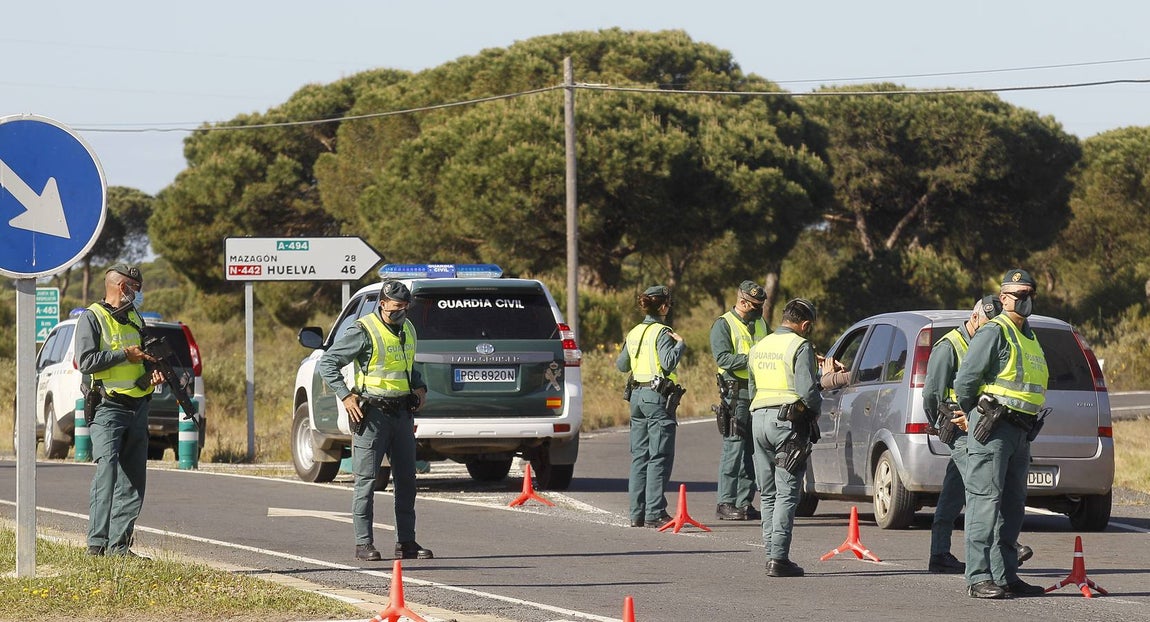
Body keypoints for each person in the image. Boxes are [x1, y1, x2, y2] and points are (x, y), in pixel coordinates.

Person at [317, 280, 432, 562]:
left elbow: (408, 364)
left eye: (406, 307)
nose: (401, 312)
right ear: (382, 304)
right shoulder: (363, 330)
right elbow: (327, 363)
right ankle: (363, 543)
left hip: (402, 414)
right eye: (396, 307)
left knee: (406, 480)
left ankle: (406, 542)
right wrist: (345, 396)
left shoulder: (407, 328)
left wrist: (420, 387)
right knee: (366, 481)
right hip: (372, 416)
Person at [953, 269, 1049, 599]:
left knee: (1013, 508)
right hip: (993, 429)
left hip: (1021, 433)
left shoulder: (1031, 337)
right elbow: (965, 382)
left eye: (1031, 294)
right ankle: (978, 576)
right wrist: (975, 413)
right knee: (984, 504)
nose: (1026, 300)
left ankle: (1006, 575)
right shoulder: (995, 331)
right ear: (1004, 298)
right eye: (1019, 294)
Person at [921, 295, 1031, 573]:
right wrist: (941, 422)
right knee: (983, 489)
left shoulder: (989, 342)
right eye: (985, 324)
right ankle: (1005, 549)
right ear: (973, 318)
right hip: (957, 428)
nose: (988, 330)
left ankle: (939, 553)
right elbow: (932, 393)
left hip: (978, 424)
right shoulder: (949, 346)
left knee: (955, 490)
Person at [75, 264, 163, 558]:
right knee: (107, 474)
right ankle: (96, 545)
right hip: (107, 408)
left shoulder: (135, 318)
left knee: (134, 480)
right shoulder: (92, 318)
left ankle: (119, 548)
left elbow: (145, 359)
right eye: (134, 289)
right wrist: (124, 354)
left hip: (138, 406)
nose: (138, 295)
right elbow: (86, 361)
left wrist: (152, 372)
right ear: (121, 287)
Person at [747, 298, 822, 577]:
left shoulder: (759, 346)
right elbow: (807, 391)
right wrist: (815, 410)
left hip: (759, 421)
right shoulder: (800, 346)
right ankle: (778, 558)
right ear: (804, 324)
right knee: (787, 492)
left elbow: (752, 386)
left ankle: (770, 552)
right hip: (787, 424)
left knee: (767, 493)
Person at [616, 285, 686, 528]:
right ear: (664, 307)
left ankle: (637, 513)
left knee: (640, 456)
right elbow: (667, 364)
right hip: (656, 399)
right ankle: (655, 512)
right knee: (659, 455)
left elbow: (622, 365)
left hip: (636, 396)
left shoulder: (634, 332)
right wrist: (680, 346)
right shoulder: (664, 332)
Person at [710, 281, 769, 521]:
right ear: (742, 302)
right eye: (755, 305)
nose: (759, 310)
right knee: (733, 448)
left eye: (761, 305)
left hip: (759, 392)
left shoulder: (761, 323)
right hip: (736, 393)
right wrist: (754, 359)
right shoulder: (724, 325)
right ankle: (725, 502)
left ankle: (744, 502)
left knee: (752, 450)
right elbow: (723, 359)